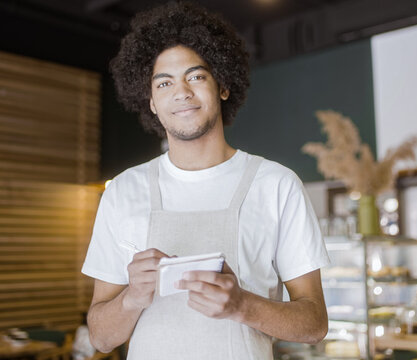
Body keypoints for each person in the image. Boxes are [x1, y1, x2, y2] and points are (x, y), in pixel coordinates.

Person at [81, 2, 330, 359]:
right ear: (151, 101)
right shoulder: (123, 191)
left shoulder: (276, 185)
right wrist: (132, 297)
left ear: (223, 86)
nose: (180, 92)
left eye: (195, 77)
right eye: (164, 83)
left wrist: (242, 305)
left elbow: (315, 324)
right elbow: (101, 339)